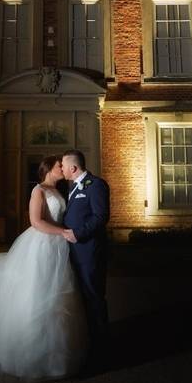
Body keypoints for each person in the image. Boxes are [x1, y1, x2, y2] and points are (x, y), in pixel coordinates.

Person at [0, 155, 87, 383]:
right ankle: (25, 356)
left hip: (57, 246)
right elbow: (36, 222)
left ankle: (55, 356)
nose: (62, 169)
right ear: (49, 169)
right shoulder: (39, 191)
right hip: (42, 245)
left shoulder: (58, 191)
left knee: (57, 298)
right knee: (37, 294)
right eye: (59, 166)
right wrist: (62, 233)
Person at [60, 149, 110, 371]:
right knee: (81, 296)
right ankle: (89, 340)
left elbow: (101, 216)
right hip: (74, 253)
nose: (61, 169)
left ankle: (102, 347)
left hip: (89, 251)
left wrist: (78, 233)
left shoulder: (96, 184)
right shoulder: (71, 186)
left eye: (63, 165)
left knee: (93, 295)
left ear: (73, 167)